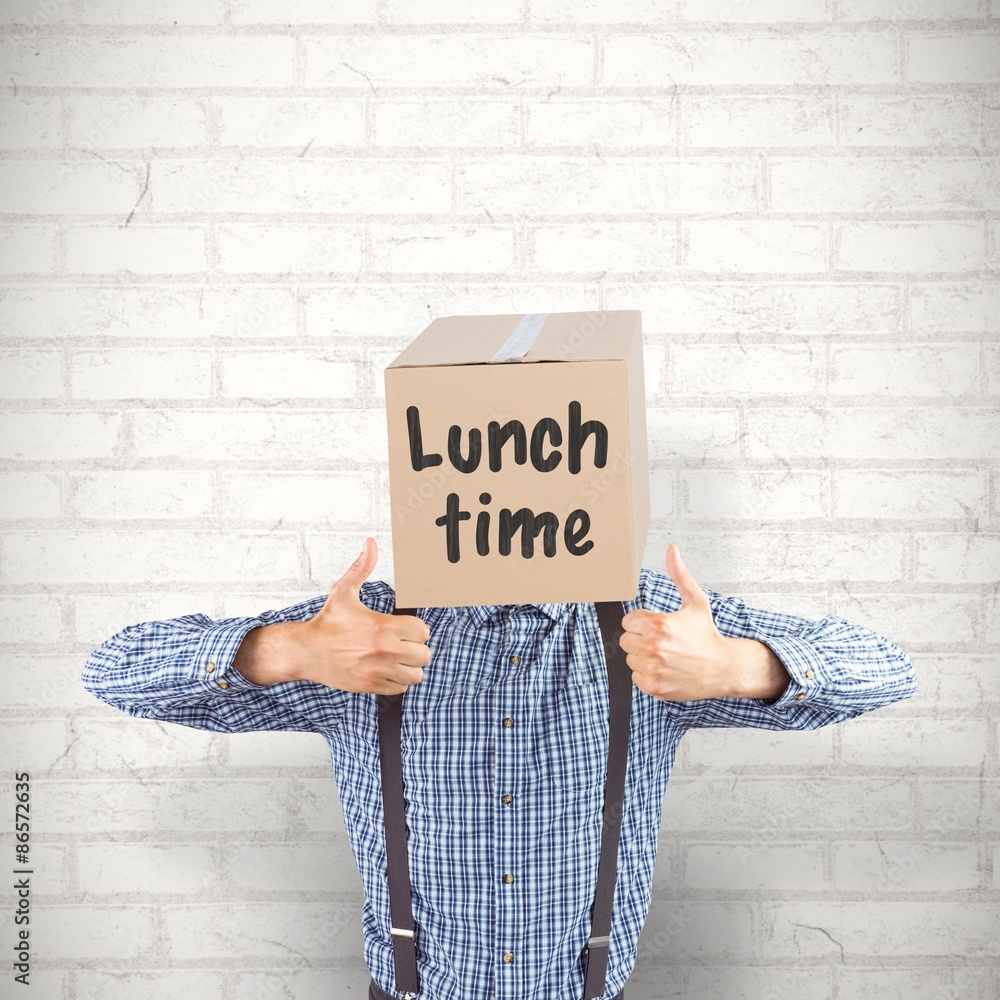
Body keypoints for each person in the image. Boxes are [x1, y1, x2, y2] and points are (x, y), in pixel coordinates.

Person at [81, 536, 917, 1000]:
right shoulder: (363, 636)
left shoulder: (655, 630)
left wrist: (743, 668)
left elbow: (887, 667)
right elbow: (113, 669)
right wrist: (287, 649)